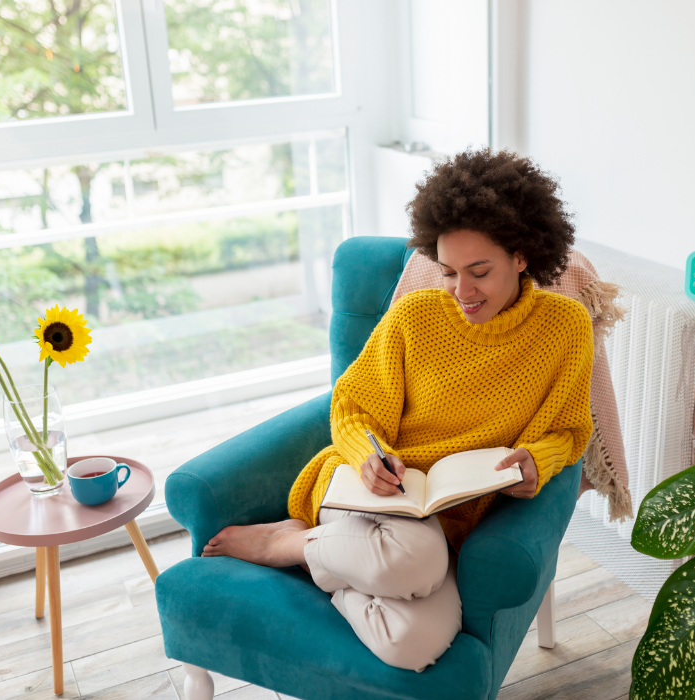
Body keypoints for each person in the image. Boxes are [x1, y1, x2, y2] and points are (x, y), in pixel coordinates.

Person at [202, 147, 594, 672]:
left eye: (479, 271)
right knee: (419, 560)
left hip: (450, 517)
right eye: (450, 272)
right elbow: (353, 405)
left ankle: (320, 557)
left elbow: (570, 431)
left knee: (414, 644)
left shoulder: (565, 327)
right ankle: (284, 546)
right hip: (375, 495)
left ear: (522, 256)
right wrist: (369, 456)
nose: (462, 291)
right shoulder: (415, 315)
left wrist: (536, 463)